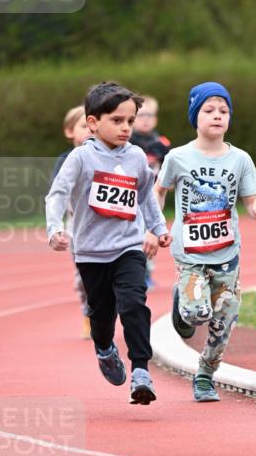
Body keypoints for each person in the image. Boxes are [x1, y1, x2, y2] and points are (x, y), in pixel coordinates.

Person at [46, 81, 171, 404]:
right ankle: (104, 347)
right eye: (117, 120)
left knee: (134, 304)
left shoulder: (136, 157)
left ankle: (141, 371)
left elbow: (146, 196)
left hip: (128, 247)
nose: (126, 128)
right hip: (90, 252)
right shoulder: (81, 158)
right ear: (93, 122)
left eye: (130, 121)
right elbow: (58, 193)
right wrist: (54, 228)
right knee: (101, 318)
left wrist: (158, 228)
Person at [155, 81, 256, 403]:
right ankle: (183, 306)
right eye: (209, 110)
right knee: (196, 313)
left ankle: (205, 374)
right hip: (190, 252)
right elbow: (159, 190)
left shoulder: (240, 159)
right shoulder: (178, 157)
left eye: (223, 110)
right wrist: (155, 224)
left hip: (227, 253)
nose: (217, 116)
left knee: (225, 319)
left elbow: (250, 199)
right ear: (195, 116)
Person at [52, 105, 93, 337]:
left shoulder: (111, 154)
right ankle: (88, 314)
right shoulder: (64, 161)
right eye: (83, 126)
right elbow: (56, 195)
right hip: (78, 229)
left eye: (92, 125)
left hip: (112, 227)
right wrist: (55, 226)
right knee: (84, 279)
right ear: (70, 132)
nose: (89, 130)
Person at [130, 96, 171, 292]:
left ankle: (145, 274)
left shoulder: (161, 143)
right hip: (130, 198)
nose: (146, 120)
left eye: (150, 115)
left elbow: (168, 168)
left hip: (151, 200)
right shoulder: (127, 141)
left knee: (149, 236)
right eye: (141, 115)